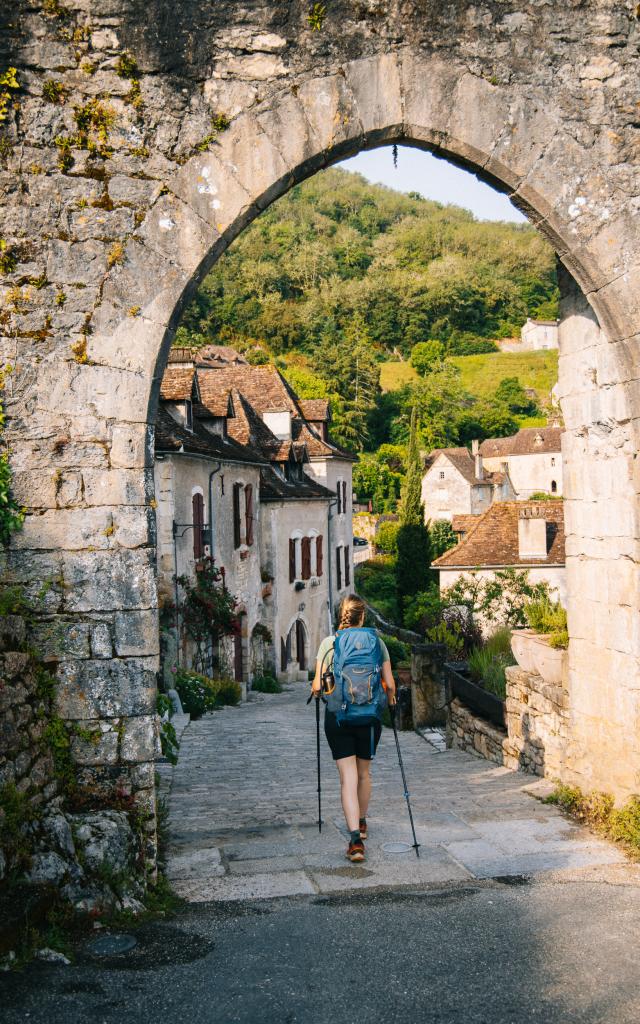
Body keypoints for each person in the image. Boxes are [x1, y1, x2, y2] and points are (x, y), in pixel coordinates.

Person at [311, 594, 397, 863]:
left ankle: (354, 842)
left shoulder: (330, 643)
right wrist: (391, 701)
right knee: (364, 773)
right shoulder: (377, 643)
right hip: (369, 718)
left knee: (347, 778)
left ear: (342, 615)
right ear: (363, 616)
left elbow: (316, 686)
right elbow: (390, 684)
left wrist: (322, 691)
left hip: (339, 718)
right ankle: (361, 822)